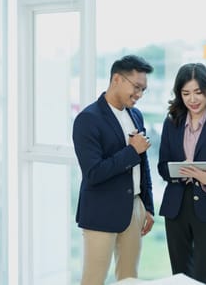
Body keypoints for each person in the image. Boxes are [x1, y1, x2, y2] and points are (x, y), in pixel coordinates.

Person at [72, 55, 155, 285]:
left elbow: (143, 164)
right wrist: (131, 151)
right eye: (136, 87)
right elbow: (93, 173)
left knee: (129, 279)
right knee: (93, 280)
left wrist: (147, 206)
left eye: (143, 90)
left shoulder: (135, 115)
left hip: (135, 208)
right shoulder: (87, 119)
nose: (139, 94)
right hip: (101, 211)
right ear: (117, 79)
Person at [157, 63, 206, 285]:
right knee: (179, 275)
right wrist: (179, 171)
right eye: (186, 93)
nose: (192, 99)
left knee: (203, 274)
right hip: (176, 206)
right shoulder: (171, 122)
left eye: (198, 92)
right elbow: (162, 166)